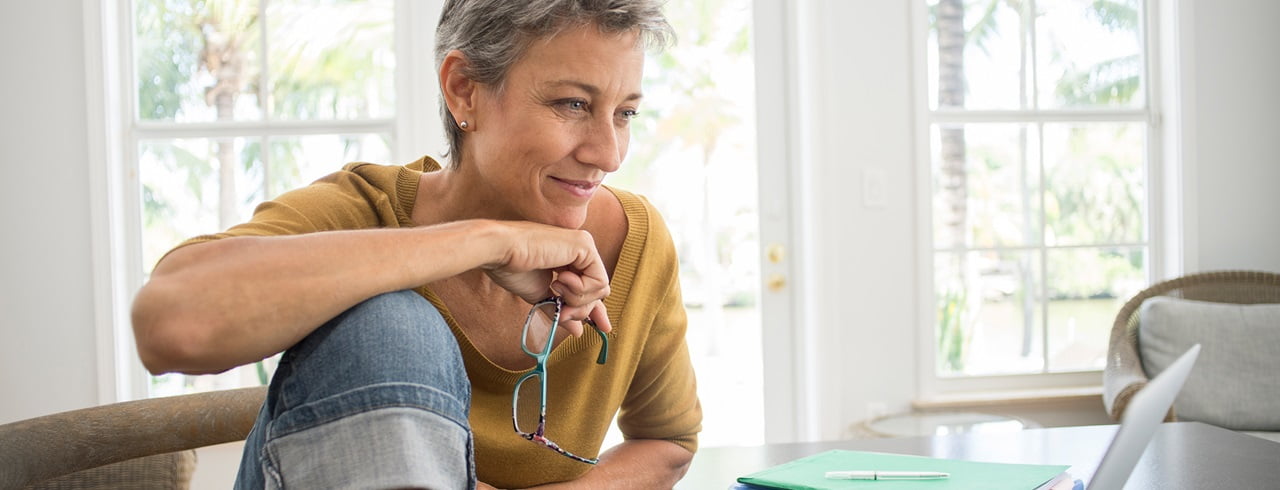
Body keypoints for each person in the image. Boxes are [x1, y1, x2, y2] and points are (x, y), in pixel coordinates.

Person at [129, 0, 703, 488]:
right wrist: (485, 241)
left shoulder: (634, 240)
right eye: (572, 104)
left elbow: (667, 440)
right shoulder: (360, 210)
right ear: (464, 91)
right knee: (390, 321)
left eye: (625, 113)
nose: (608, 154)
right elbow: (170, 323)